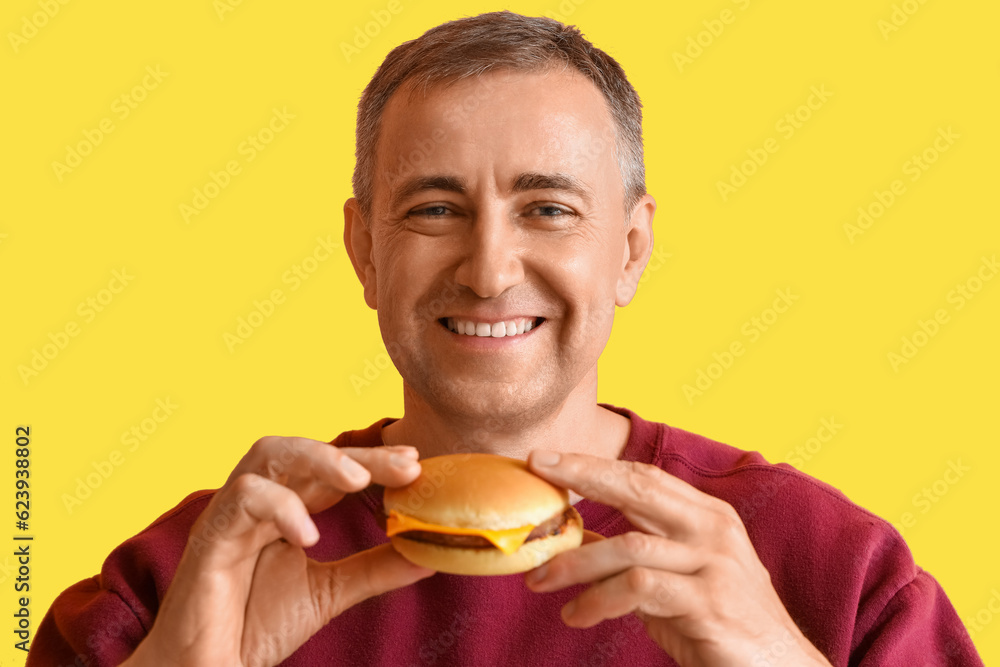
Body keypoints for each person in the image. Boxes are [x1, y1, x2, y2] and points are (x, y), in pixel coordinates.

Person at [29, 11, 982, 667]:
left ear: (632, 249)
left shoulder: (836, 573)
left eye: (548, 207)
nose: (489, 269)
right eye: (436, 208)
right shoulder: (190, 575)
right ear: (365, 249)